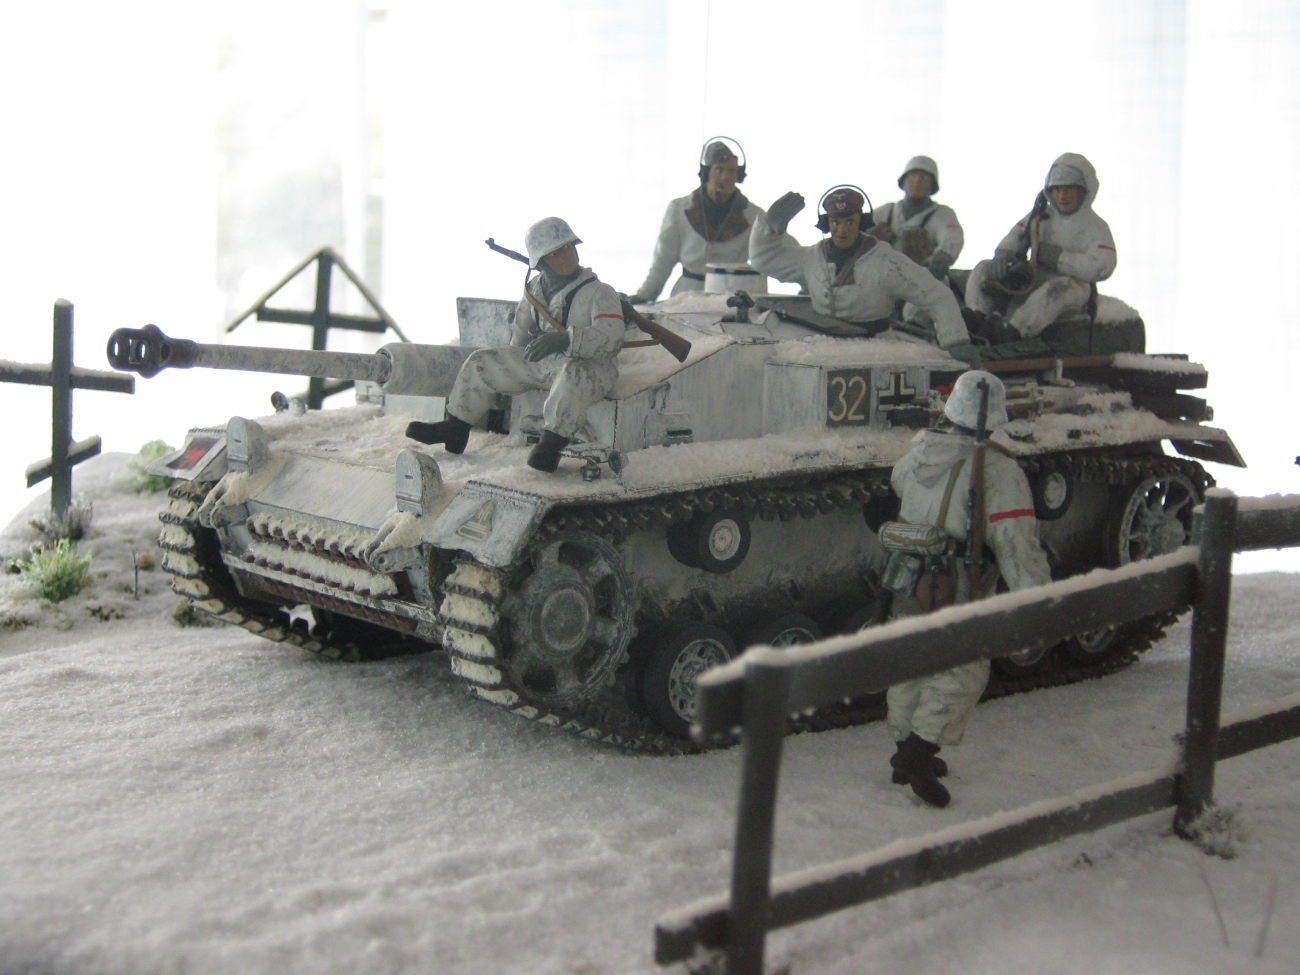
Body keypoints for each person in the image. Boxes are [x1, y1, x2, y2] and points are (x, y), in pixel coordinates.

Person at [884, 371, 1052, 807]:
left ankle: (904, 749)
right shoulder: (998, 470)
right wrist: (1036, 607)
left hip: (909, 573)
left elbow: (899, 483)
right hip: (955, 580)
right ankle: (918, 753)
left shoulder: (921, 452)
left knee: (911, 658)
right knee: (964, 667)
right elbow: (1016, 544)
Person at [405, 217, 624, 473]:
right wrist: (513, 361)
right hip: (548, 364)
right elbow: (519, 336)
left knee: (574, 373)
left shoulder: (600, 292)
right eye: (555, 253)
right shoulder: (535, 290)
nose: (566, 255)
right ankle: (455, 427)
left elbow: (612, 339)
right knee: (483, 360)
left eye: (568, 247)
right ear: (540, 261)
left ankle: (551, 444)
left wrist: (568, 339)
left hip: (592, 367)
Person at [749, 185, 977, 359]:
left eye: (849, 222)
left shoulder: (885, 262)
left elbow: (936, 294)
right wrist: (769, 228)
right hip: (822, 346)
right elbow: (765, 260)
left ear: (862, 221)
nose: (842, 230)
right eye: (835, 222)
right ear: (827, 223)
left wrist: (955, 340)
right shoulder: (812, 258)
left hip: (875, 349)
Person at [965, 153, 1116, 340]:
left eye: (1069, 189)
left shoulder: (1095, 226)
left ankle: (1013, 332)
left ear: (1084, 190)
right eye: (1057, 189)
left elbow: (1102, 266)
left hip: (1073, 285)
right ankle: (977, 317)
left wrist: (1059, 258)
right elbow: (1017, 234)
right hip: (1034, 275)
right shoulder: (1040, 215)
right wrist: (1004, 254)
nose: (1062, 196)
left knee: (1055, 290)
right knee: (983, 268)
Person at [628, 139, 765, 303]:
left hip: (729, 297)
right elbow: (663, 261)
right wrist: (644, 295)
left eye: (732, 171)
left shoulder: (753, 216)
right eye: (719, 170)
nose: (725, 177)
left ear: (739, 176)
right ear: (706, 174)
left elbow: (770, 257)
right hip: (686, 296)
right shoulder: (679, 209)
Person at [872, 155, 964, 280]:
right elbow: (855, 228)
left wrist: (943, 256)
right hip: (881, 278)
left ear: (932, 184)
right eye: (913, 175)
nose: (917, 181)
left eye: (924, 177)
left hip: (921, 280)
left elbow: (952, 236)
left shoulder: (942, 214)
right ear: (903, 181)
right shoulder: (887, 212)